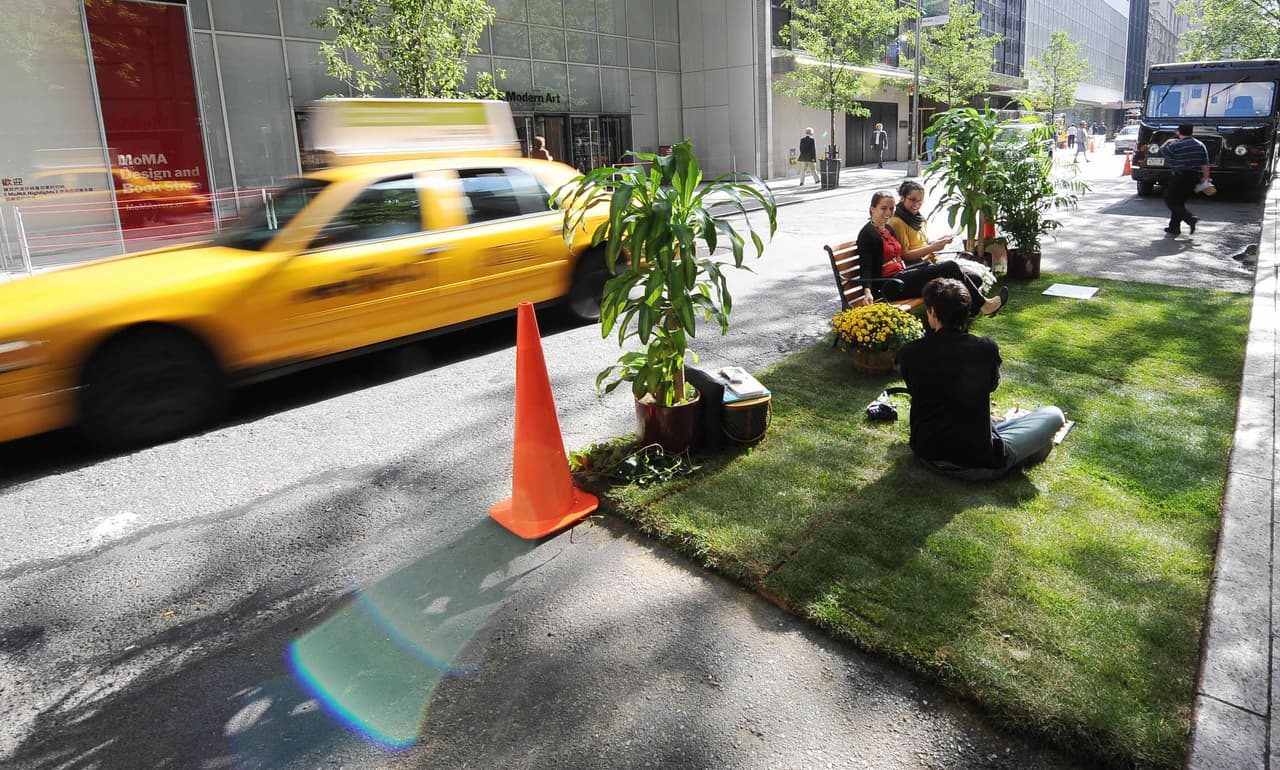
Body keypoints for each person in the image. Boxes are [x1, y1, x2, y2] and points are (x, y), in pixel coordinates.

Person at [899, 277, 1066, 481]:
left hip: (926, 450)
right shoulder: (984, 348)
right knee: (1053, 415)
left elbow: (922, 391)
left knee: (1006, 427)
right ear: (967, 311)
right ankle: (1027, 450)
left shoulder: (910, 352)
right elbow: (991, 385)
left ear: (933, 312)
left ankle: (1023, 442)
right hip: (977, 459)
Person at [857, 191, 1007, 318]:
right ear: (872, 209)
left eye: (891, 208)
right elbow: (866, 266)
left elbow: (900, 255)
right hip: (891, 285)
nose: (888, 213)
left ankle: (967, 314)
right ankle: (984, 306)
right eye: (883, 208)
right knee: (950, 266)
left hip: (903, 275)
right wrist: (867, 292)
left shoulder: (888, 229)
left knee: (973, 278)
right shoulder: (867, 234)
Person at [1156, 123, 1211, 236]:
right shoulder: (1200, 145)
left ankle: (1190, 219)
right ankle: (1174, 227)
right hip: (1194, 177)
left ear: (1178, 132)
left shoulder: (1177, 145)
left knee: (1170, 200)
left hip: (1179, 176)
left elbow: (1161, 152)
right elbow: (1205, 165)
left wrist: (1168, 142)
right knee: (1179, 202)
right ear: (1192, 132)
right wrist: (1206, 179)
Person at [887, 180, 955, 264]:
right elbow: (904, 255)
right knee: (953, 266)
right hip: (915, 266)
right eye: (913, 200)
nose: (916, 204)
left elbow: (922, 244)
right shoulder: (897, 222)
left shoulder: (919, 218)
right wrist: (932, 248)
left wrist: (940, 241)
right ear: (902, 198)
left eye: (920, 200)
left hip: (930, 261)